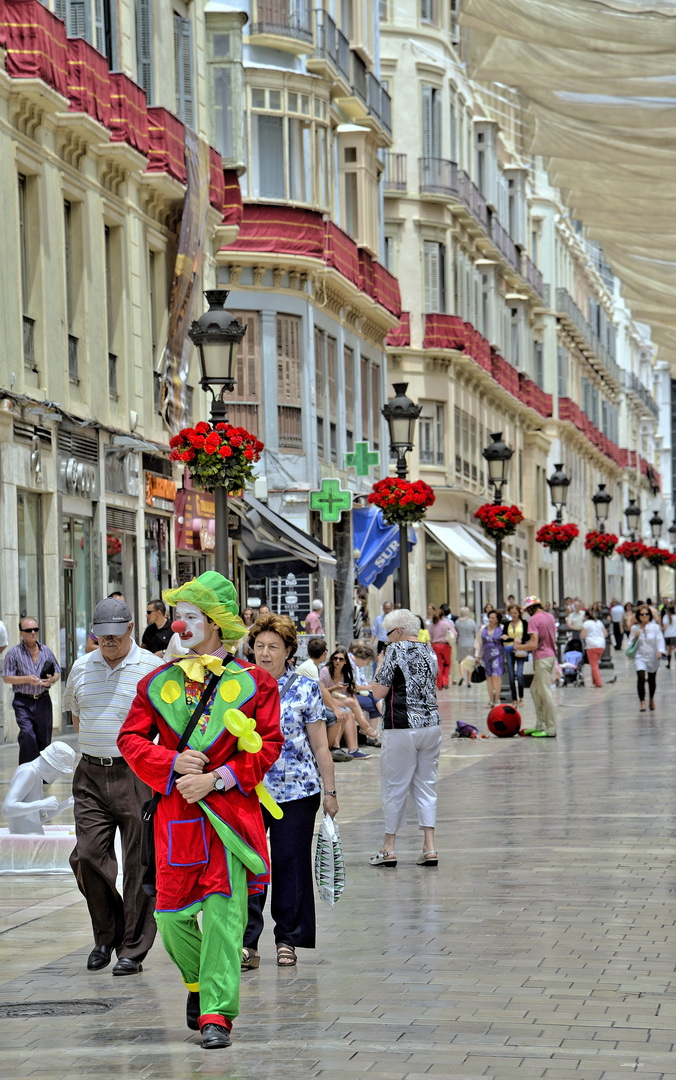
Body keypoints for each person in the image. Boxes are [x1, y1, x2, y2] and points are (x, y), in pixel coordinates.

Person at [118, 573, 283, 1049]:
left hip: (230, 818)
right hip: (177, 821)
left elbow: (268, 744)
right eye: (178, 616)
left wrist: (217, 776)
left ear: (216, 624)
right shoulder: (156, 683)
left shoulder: (256, 684)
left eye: (190, 617)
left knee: (224, 917)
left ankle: (216, 1013)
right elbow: (130, 740)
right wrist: (171, 763)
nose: (178, 625)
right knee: (170, 919)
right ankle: (196, 983)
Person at [63, 597, 164, 977]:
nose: (108, 642)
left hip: (136, 774)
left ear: (130, 629)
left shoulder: (152, 669)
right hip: (90, 773)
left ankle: (132, 949)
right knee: (87, 855)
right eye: (101, 636)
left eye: (115, 636)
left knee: (139, 864)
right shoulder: (80, 668)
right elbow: (77, 716)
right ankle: (107, 934)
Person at [241, 613, 337, 972]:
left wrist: (330, 791)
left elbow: (321, 747)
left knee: (289, 863)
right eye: (260, 646)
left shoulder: (305, 688)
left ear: (288, 651)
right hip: (247, 789)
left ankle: (288, 939)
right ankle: (246, 942)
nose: (264, 653)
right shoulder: (239, 685)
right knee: (249, 865)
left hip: (297, 791)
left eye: (273, 647)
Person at [368, 608, 441, 869]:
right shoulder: (429, 650)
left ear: (398, 631)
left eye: (388, 634)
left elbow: (378, 690)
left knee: (394, 785)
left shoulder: (394, 651)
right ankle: (429, 846)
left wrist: (379, 665)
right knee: (426, 785)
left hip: (401, 725)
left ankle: (389, 848)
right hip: (431, 726)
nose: (386, 639)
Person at [3, 617, 61, 763]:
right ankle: (27, 772)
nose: (33, 633)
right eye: (29, 630)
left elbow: (58, 671)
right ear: (21, 633)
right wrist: (26, 679)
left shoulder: (46, 651)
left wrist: (52, 679)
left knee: (44, 739)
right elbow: (7, 677)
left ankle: (42, 774)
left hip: (43, 700)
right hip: (23, 701)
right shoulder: (14, 653)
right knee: (27, 734)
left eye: (36, 629)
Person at [1, 741, 75, 834]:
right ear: (53, 766)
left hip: (32, 839)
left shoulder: (36, 774)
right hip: (25, 841)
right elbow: (7, 809)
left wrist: (66, 804)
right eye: (62, 772)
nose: (63, 776)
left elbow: (37, 818)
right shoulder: (28, 772)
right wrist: (42, 803)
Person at [515, 597, 557, 737]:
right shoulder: (550, 616)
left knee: (545, 692)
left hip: (542, 657)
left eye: (527, 610)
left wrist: (518, 647)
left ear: (531, 608)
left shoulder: (534, 620)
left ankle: (551, 728)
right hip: (549, 656)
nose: (527, 613)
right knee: (534, 690)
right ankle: (540, 724)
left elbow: (533, 644)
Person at [319, 648, 378, 750]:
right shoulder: (325, 671)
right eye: (335, 658)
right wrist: (335, 687)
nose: (338, 661)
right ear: (332, 659)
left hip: (338, 699)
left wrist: (361, 716)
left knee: (349, 711)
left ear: (345, 661)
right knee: (349, 707)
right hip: (325, 700)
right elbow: (321, 692)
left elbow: (351, 694)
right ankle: (364, 728)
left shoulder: (346, 673)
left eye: (341, 659)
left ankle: (353, 749)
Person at [628, 605, 665, 712]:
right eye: (642, 614)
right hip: (639, 656)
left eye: (646, 614)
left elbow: (659, 639)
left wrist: (660, 651)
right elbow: (630, 643)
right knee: (640, 677)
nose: (644, 616)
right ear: (638, 616)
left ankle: (651, 699)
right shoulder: (634, 628)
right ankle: (642, 702)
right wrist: (635, 637)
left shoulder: (655, 627)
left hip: (652, 656)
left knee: (652, 679)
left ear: (650, 615)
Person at [502, 603, 528, 707]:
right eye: (511, 613)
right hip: (509, 650)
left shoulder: (524, 623)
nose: (513, 615)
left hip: (520, 650)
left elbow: (526, 637)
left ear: (519, 613)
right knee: (511, 676)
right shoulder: (506, 624)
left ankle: (521, 697)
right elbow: (503, 637)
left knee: (520, 674)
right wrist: (513, 639)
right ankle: (514, 699)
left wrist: (520, 640)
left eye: (515, 613)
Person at [478, 609, 505, 706]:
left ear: (497, 619)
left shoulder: (501, 628)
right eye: (490, 617)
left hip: (498, 655)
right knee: (489, 677)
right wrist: (477, 655)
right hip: (486, 655)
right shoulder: (483, 628)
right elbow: (479, 642)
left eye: (493, 618)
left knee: (496, 676)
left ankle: (497, 698)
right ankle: (491, 700)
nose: (491, 619)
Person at [427, 606, 456, 690]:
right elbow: (454, 633)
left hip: (436, 645)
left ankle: (439, 684)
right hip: (445, 645)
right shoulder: (446, 624)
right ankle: (445, 681)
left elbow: (430, 637)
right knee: (447, 664)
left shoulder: (432, 626)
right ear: (442, 616)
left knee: (439, 665)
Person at [580, 608, 607, 687]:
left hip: (591, 645)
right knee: (595, 663)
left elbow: (582, 635)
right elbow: (605, 634)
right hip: (601, 645)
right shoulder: (599, 622)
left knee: (594, 664)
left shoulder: (586, 623)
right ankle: (594, 681)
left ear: (586, 616)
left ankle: (598, 682)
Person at [455, 608, 478, 687]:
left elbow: (455, 633)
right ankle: (469, 681)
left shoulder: (457, 622)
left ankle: (462, 676)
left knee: (461, 662)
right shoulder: (472, 622)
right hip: (470, 644)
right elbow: (476, 633)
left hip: (461, 643)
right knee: (469, 663)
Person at [662, 604, 676, 668]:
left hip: (667, 635)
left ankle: (669, 664)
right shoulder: (675, 616)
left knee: (668, 650)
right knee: (675, 649)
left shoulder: (665, 617)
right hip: (675, 635)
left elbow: (664, 627)